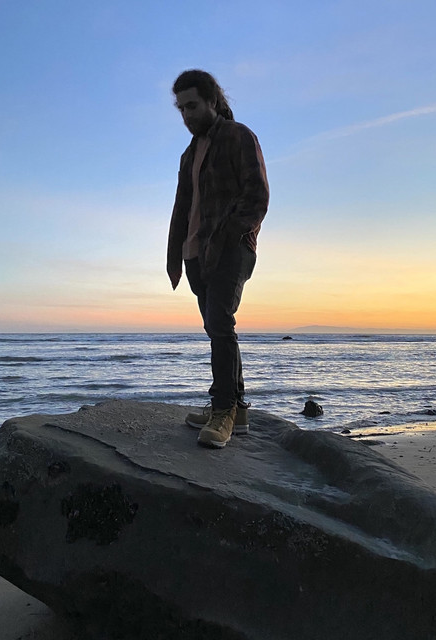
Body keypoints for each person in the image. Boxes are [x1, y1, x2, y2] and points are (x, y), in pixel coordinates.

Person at [167, 69, 269, 449]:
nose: (186, 115)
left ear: (212, 100)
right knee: (215, 328)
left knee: (220, 323)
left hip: (230, 247)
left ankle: (223, 409)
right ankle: (236, 409)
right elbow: (182, 208)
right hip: (195, 254)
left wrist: (231, 235)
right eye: (181, 108)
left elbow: (257, 195)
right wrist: (176, 254)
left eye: (192, 106)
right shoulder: (189, 154)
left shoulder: (238, 136)